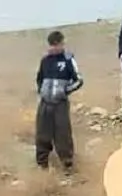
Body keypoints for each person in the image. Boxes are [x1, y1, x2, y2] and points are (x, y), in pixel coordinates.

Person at [35, 30, 82, 172]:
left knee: (63, 133)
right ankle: (42, 163)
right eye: (53, 45)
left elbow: (79, 80)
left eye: (59, 44)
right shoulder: (45, 60)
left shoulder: (68, 60)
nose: (56, 48)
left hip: (60, 103)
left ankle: (67, 164)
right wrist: (41, 91)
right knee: (42, 132)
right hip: (45, 102)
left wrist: (65, 91)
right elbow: (39, 78)